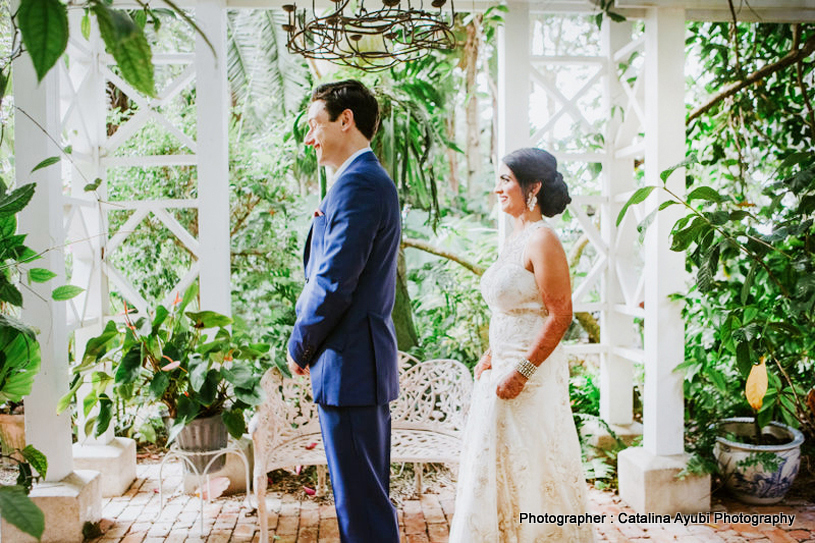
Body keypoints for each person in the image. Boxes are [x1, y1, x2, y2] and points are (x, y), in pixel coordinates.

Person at [448, 148, 595, 542]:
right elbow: (512, 312)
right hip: (500, 372)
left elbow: (559, 314)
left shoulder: (543, 240)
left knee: (534, 467)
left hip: (530, 377)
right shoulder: (515, 239)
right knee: (500, 469)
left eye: (505, 180)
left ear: (533, 187)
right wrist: (491, 356)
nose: (497, 189)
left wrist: (521, 372)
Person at [286, 79, 401, 543]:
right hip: (354, 367)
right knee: (362, 499)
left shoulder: (359, 184)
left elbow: (333, 283)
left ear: (345, 120)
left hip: (351, 364)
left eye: (315, 124)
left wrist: (300, 344)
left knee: (362, 506)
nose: (309, 137)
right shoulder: (358, 181)